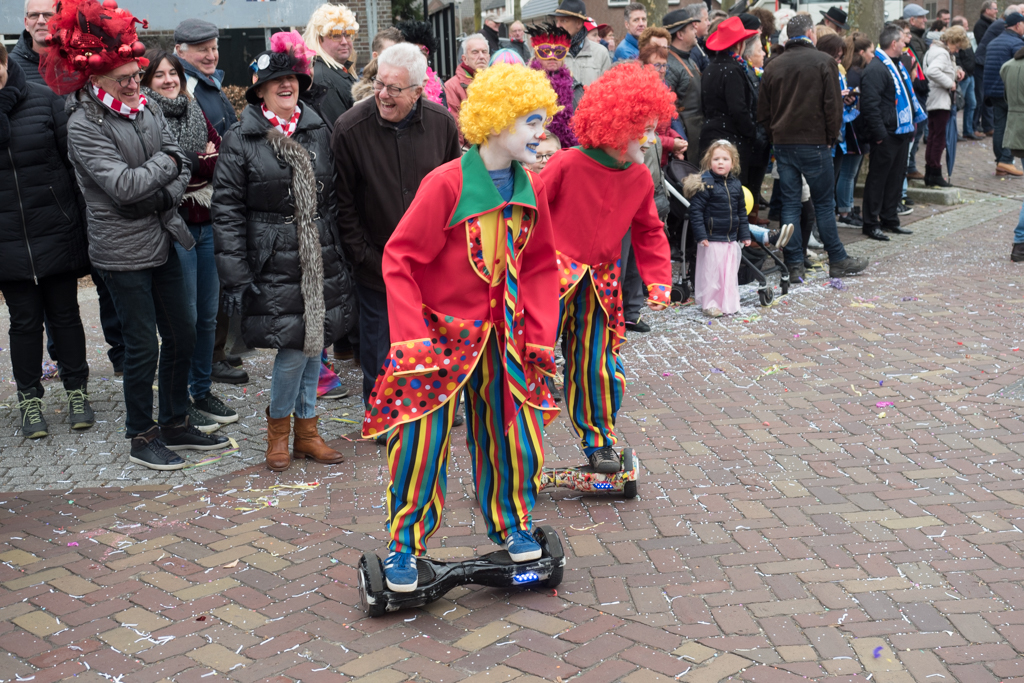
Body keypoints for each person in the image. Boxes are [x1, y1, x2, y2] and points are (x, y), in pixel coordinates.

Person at [362, 63, 561, 591]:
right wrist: (410, 338)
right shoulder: (445, 185)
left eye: (541, 122)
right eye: (531, 122)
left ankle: (514, 525)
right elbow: (399, 259)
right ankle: (404, 546)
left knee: (511, 435)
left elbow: (541, 266)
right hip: (436, 339)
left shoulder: (530, 188)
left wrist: (540, 335)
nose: (540, 134)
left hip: (502, 340)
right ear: (495, 122)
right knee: (421, 444)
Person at [48, 0, 228, 470]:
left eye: (136, 73)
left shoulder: (143, 106)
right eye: (125, 77)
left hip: (162, 232)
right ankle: (140, 434)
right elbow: (122, 187)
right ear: (98, 79)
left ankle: (173, 421)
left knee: (184, 334)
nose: (136, 83)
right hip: (121, 250)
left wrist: (161, 179)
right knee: (143, 344)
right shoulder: (83, 124)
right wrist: (164, 174)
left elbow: (180, 156)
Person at [212, 36, 355, 472]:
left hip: (320, 252)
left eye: (291, 77)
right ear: (259, 90)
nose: (286, 84)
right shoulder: (242, 138)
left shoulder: (318, 129)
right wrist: (235, 271)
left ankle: (308, 432)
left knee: (315, 345)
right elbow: (227, 209)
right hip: (273, 258)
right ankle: (280, 432)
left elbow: (334, 195)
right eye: (276, 80)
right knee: (294, 348)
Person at [540, 63, 674, 474]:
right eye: (643, 128)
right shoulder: (567, 163)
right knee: (534, 360)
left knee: (595, 366)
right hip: (550, 279)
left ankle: (598, 442)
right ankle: (516, 442)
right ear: (617, 126)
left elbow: (650, 230)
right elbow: (533, 211)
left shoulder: (638, 177)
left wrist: (659, 283)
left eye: (653, 128)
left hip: (601, 283)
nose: (651, 139)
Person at [332, 43, 461, 427]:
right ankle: (383, 413)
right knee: (379, 343)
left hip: (432, 261)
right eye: (379, 83)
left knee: (435, 335)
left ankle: (435, 403)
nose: (383, 94)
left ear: (418, 91)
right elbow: (344, 205)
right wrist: (366, 258)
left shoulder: (441, 124)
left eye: (394, 88)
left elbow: (456, 189)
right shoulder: (350, 128)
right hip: (377, 259)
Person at [141, 50, 238, 434]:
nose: (168, 80)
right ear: (147, 82)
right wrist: (197, 160)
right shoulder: (147, 117)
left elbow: (221, 158)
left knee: (208, 316)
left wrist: (195, 161)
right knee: (186, 319)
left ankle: (202, 390)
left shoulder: (195, 108)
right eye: (159, 75)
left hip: (207, 222)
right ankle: (179, 400)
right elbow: (174, 162)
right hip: (176, 226)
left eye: (173, 73)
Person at [0, 46, 94, 439]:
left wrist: (82, 227)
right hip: (6, 240)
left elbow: (74, 168)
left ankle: (77, 393)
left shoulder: (44, 102)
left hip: (56, 230)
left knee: (65, 315)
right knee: (23, 323)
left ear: (3, 63)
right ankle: (29, 399)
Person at [758, 14, 868, 280]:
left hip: (784, 143)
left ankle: (794, 264)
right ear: (811, 33)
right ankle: (838, 258)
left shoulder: (774, 64)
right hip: (814, 142)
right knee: (822, 204)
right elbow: (833, 106)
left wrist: (775, 135)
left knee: (791, 205)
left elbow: (763, 111)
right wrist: (832, 136)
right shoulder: (824, 61)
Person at [174, 18, 247, 385]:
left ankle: (215, 353)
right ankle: (208, 359)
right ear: (181, 51)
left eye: (214, 47)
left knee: (216, 285)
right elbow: (193, 152)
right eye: (202, 48)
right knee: (202, 296)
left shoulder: (209, 82)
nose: (211, 54)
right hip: (197, 205)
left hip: (219, 196)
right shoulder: (183, 84)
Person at [857, 24, 927, 242]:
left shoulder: (896, 65)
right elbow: (870, 105)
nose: (906, 44)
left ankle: (889, 218)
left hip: (901, 131)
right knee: (878, 179)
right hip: (886, 134)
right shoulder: (877, 69)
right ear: (893, 43)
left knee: (895, 178)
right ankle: (871, 223)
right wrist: (880, 134)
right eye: (902, 40)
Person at [684, 140, 751, 317]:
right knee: (712, 274)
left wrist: (744, 234)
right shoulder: (707, 184)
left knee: (728, 274)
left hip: (730, 239)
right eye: (716, 159)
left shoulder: (736, 185)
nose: (720, 162)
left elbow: (741, 212)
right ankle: (711, 303)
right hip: (712, 239)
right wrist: (701, 235)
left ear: (733, 163)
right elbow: (696, 211)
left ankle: (727, 302)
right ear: (709, 162)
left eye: (725, 159)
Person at [699, 17, 760, 196]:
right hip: (730, 141)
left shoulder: (711, 67)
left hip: (711, 137)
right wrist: (753, 134)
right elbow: (738, 109)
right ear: (739, 44)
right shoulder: (732, 69)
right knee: (731, 196)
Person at [835, 32, 873, 228]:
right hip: (853, 128)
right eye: (871, 51)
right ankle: (844, 211)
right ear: (861, 52)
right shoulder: (856, 73)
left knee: (849, 172)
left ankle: (847, 207)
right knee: (848, 173)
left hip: (852, 126)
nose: (873, 55)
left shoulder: (849, 71)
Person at [923, 26, 969, 187]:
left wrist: (957, 70)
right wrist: (951, 83)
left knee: (933, 137)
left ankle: (930, 172)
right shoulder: (942, 53)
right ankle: (935, 171)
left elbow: (938, 69)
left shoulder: (935, 50)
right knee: (939, 139)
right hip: (940, 99)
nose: (957, 51)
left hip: (934, 98)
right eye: (957, 47)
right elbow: (934, 71)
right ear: (951, 41)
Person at [302, 3, 360, 128]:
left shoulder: (336, 71)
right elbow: (342, 131)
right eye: (336, 35)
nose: (344, 42)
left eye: (348, 34)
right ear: (319, 39)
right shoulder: (324, 80)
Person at [528, 24, 579, 148]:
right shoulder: (526, 84)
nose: (552, 57)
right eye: (545, 52)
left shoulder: (575, 86)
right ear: (536, 53)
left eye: (558, 52)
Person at [986, 12, 1024, 176]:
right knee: (1012, 126)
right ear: (1018, 25)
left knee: (1000, 125)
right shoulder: (1016, 43)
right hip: (1009, 91)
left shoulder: (994, 42)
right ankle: (1006, 161)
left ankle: (1001, 160)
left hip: (993, 91)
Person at [664, 10, 702, 163]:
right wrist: (680, 138)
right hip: (686, 134)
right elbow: (669, 108)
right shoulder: (670, 65)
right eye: (692, 27)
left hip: (697, 131)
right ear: (680, 34)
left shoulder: (689, 58)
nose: (695, 30)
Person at [554, 0, 612, 86]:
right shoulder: (550, 52)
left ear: (578, 23)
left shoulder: (600, 53)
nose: (558, 25)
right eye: (557, 21)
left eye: (563, 21)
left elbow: (608, 89)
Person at [396, 21, 447, 107]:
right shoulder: (393, 80)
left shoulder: (438, 83)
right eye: (413, 52)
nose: (418, 56)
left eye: (423, 52)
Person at [445, 33, 490, 128]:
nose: (481, 56)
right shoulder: (451, 87)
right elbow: (456, 129)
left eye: (484, 52)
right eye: (475, 52)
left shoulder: (497, 83)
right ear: (464, 59)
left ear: (489, 57)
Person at [351, 27, 404, 102]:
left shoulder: (409, 83)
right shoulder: (364, 93)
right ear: (375, 56)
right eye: (390, 54)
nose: (397, 60)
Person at [952, 16, 982, 140]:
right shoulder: (956, 41)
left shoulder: (966, 40)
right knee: (956, 105)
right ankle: (954, 133)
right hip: (963, 77)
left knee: (972, 103)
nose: (968, 28)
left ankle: (967, 130)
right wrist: (962, 71)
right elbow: (957, 58)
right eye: (965, 25)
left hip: (970, 76)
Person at [11, 0, 53, 85]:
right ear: (26, 23)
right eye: (34, 15)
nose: (41, 21)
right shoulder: (9, 67)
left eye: (48, 15)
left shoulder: (79, 63)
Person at [974, 1, 998, 136]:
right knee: (980, 97)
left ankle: (988, 125)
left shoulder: (993, 24)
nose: (996, 11)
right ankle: (976, 126)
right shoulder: (980, 25)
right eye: (995, 9)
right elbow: (983, 43)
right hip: (982, 64)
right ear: (987, 10)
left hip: (988, 64)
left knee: (988, 95)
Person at [683, 3, 711, 71]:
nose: (709, 23)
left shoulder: (700, 45)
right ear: (695, 23)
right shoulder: (692, 50)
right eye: (706, 19)